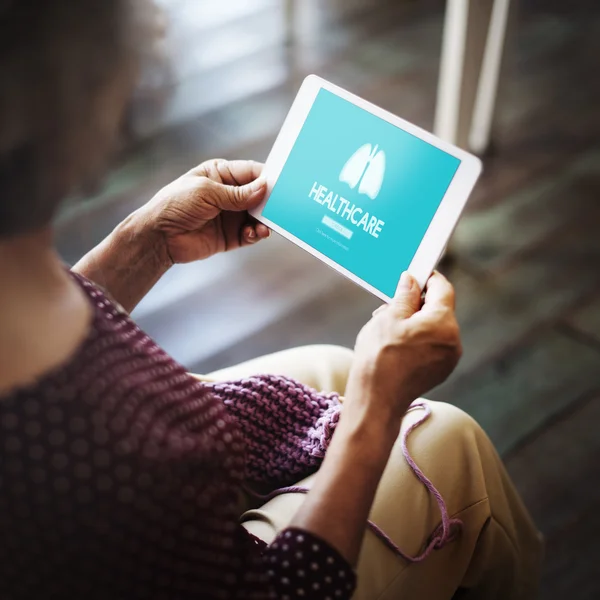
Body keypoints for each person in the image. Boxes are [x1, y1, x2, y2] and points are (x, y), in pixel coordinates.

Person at [0, 1, 542, 598]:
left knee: (330, 366)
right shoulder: (122, 458)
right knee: (450, 440)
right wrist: (376, 407)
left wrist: (145, 244)